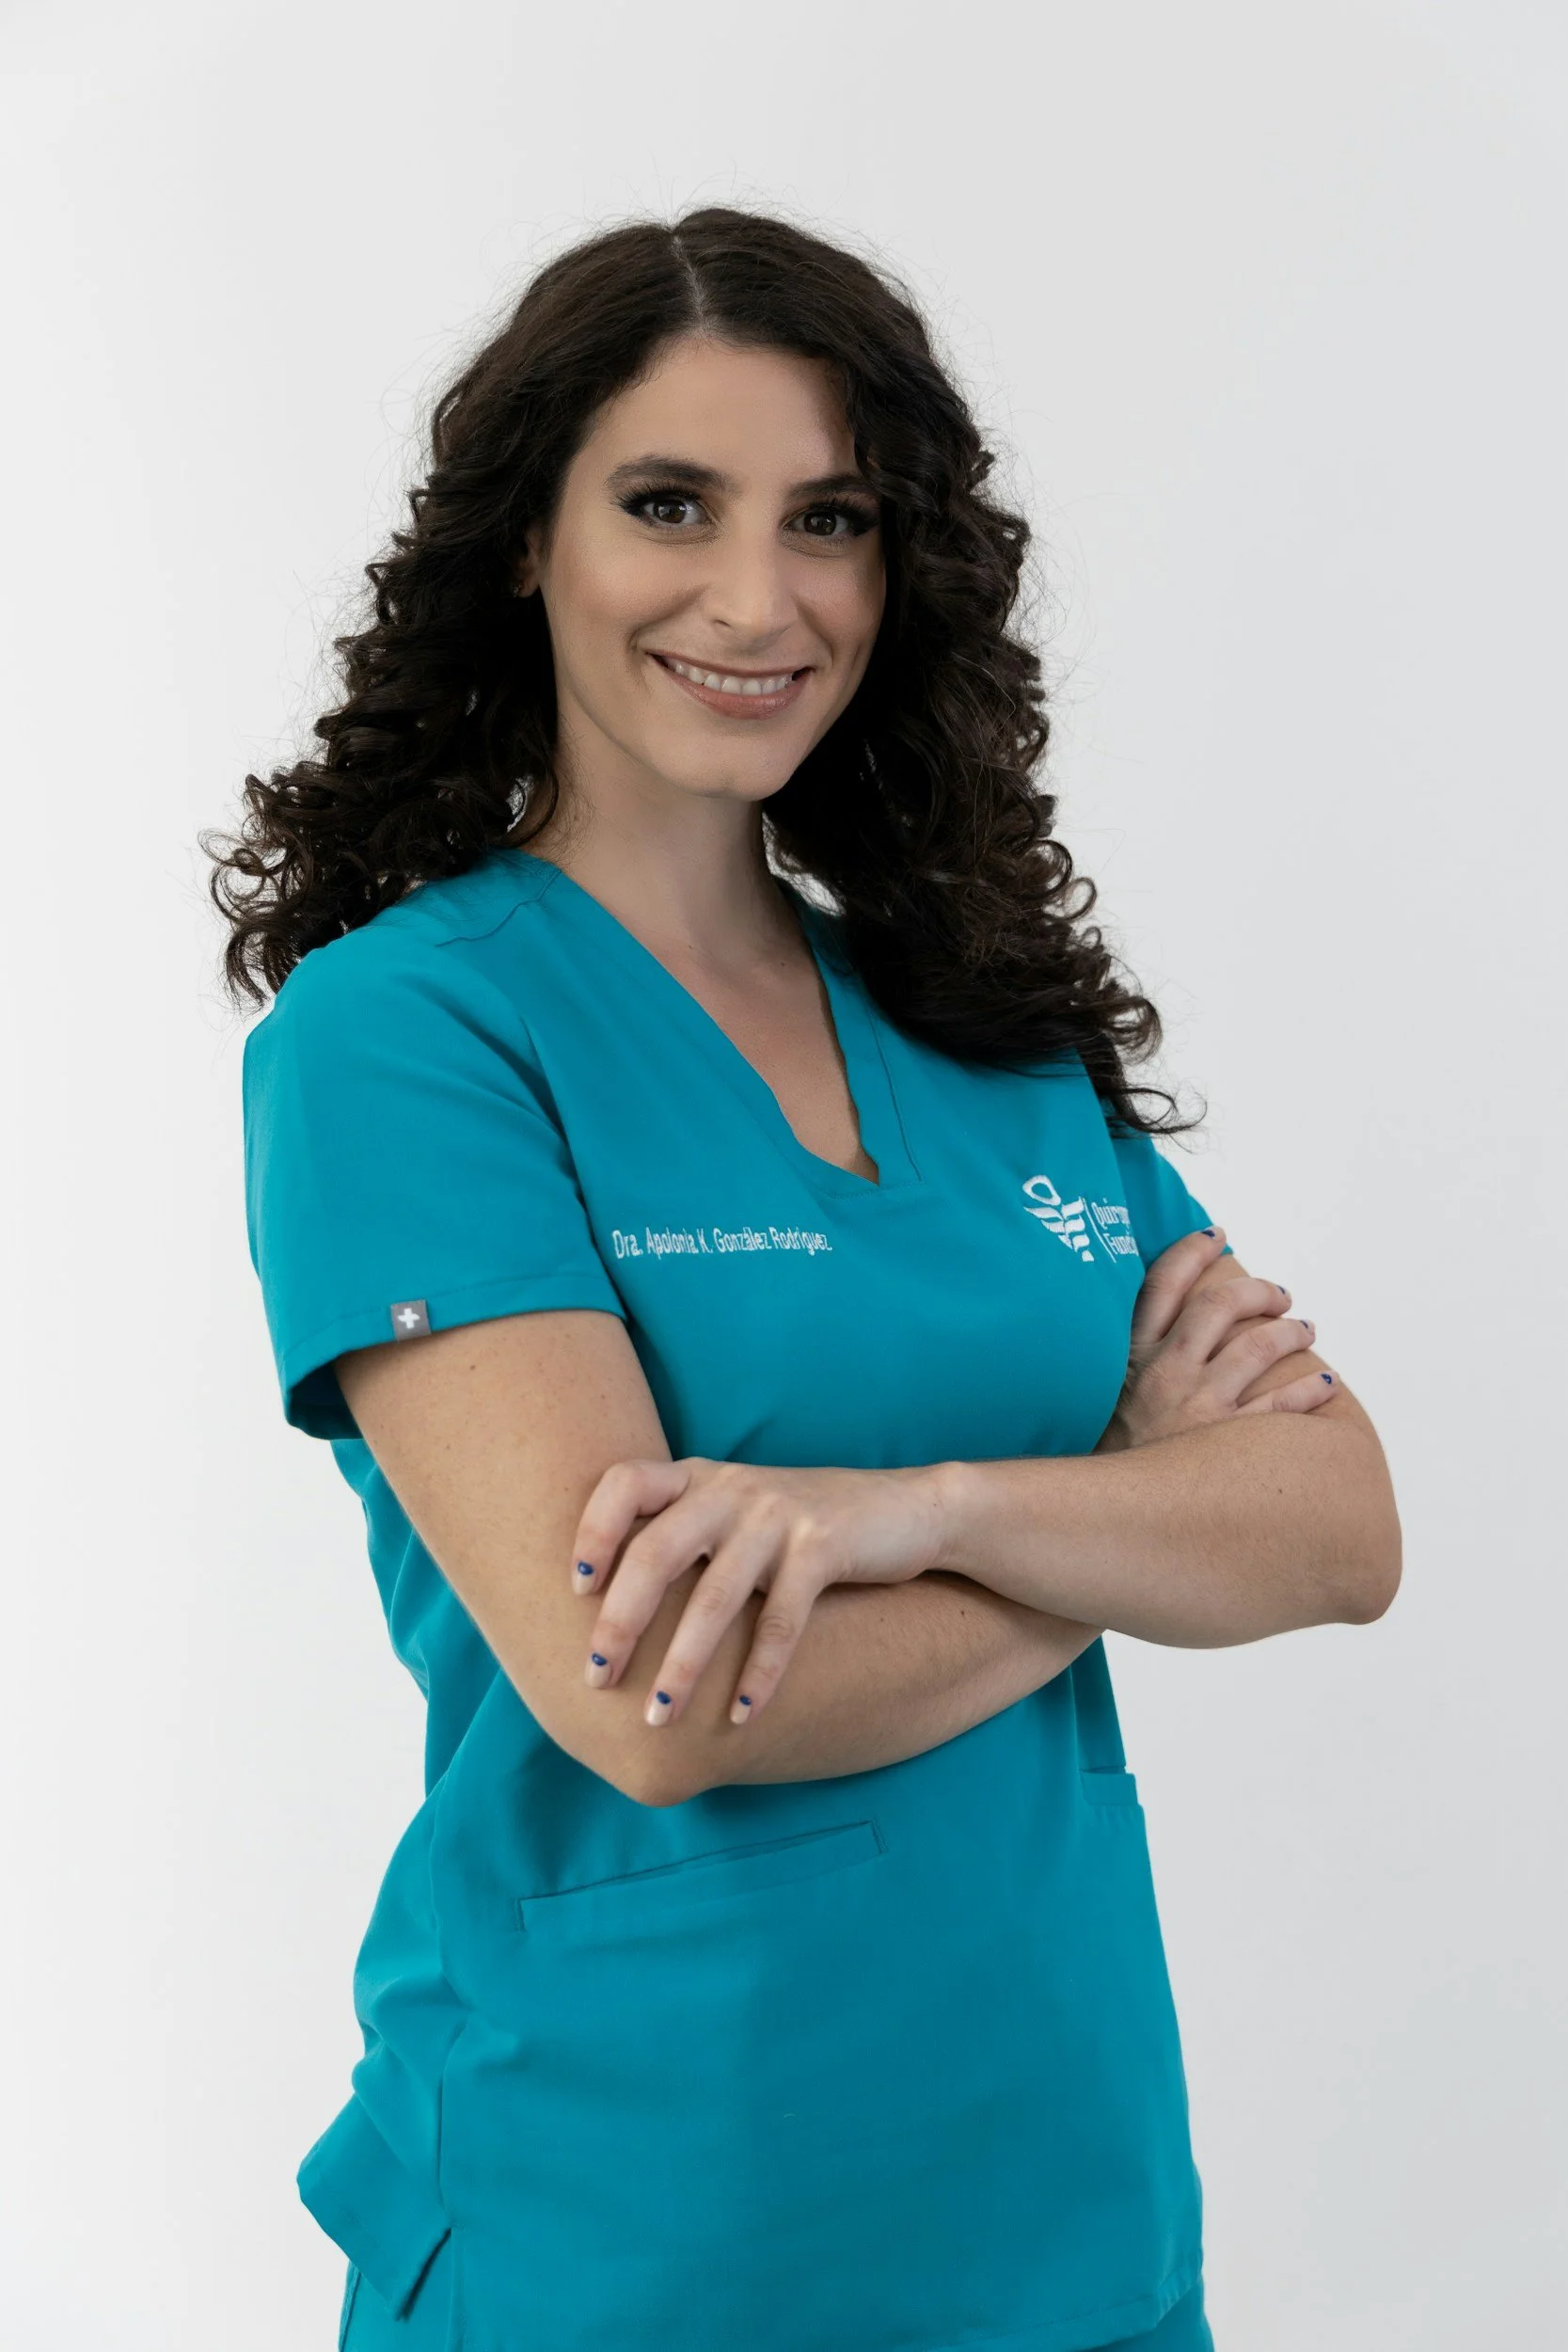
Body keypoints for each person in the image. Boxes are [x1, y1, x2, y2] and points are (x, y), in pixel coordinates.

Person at [209, 206, 1401, 2352]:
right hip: (639, 2224)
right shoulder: (406, 1038)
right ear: (525, 545)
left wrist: (913, 1512)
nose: (755, 597)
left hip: (1070, 2204)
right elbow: (644, 1698)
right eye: (669, 504)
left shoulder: (982, 1026)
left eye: (828, 518)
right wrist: (1122, 1512)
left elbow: (1336, 1528)